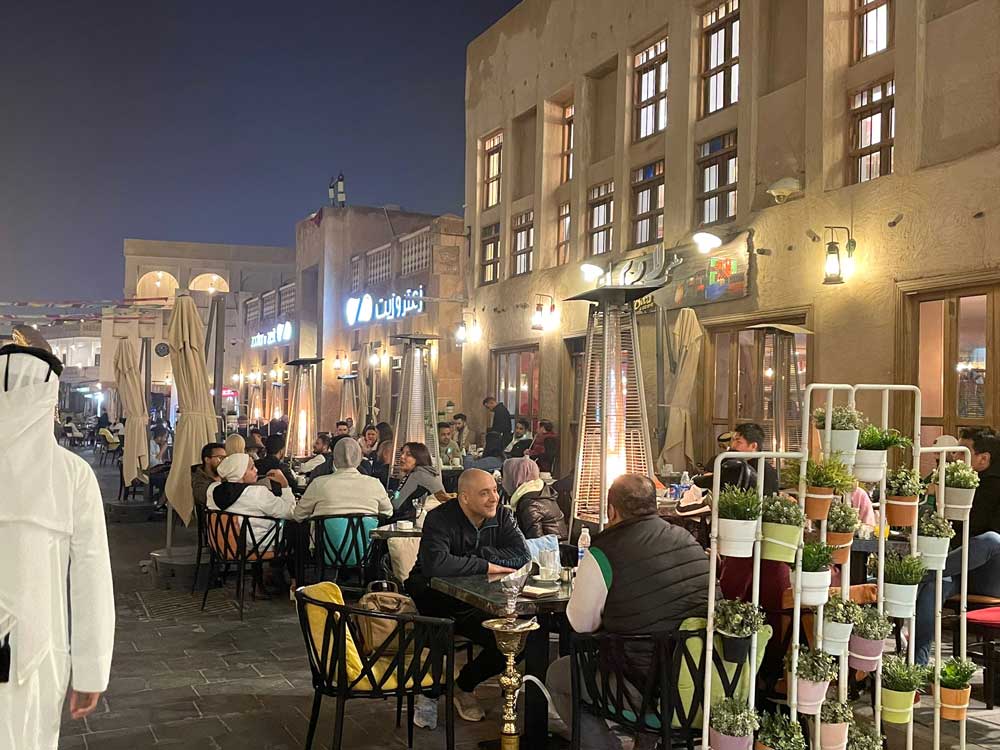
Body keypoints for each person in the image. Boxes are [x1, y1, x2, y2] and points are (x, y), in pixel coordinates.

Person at [0, 341, 114, 747]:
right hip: (38, 648)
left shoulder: (74, 475)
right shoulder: (71, 475)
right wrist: (91, 670)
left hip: (38, 653)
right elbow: (91, 578)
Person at [546, 475, 710, 749]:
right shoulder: (687, 539)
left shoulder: (604, 552)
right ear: (654, 504)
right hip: (696, 681)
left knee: (560, 675)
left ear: (611, 510)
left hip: (640, 685)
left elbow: (581, 623)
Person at [407, 468, 531, 729]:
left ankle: (463, 686)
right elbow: (437, 566)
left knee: (514, 641)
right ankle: (428, 694)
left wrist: (480, 555)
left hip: (482, 599)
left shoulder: (504, 517)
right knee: (439, 631)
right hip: (435, 594)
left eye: (495, 490)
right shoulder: (439, 519)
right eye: (484, 493)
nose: (493, 498)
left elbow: (521, 555)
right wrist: (486, 566)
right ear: (464, 498)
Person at [915, 431, 1000, 663]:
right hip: (956, 565)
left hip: (990, 573)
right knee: (936, 585)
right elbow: (928, 522)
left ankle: (918, 575)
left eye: (963, 453)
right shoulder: (951, 482)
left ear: (983, 459)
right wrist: (934, 498)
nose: (955, 457)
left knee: (993, 540)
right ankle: (918, 667)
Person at [207, 453, 297, 548]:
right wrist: (285, 485)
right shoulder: (257, 493)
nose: (256, 470)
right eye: (252, 468)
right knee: (297, 526)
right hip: (258, 544)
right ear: (240, 473)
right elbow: (290, 513)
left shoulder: (212, 490)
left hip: (225, 545)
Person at [294, 438, 392, 521]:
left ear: (334, 459)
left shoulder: (318, 484)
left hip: (325, 543)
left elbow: (298, 515)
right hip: (364, 542)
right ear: (359, 458)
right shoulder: (374, 484)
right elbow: (388, 512)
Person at [693, 422, 778, 495]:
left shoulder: (766, 471)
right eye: (733, 440)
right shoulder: (730, 462)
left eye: (738, 442)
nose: (732, 445)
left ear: (753, 446)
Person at [503, 457, 567, 539]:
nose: (504, 481)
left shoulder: (530, 503)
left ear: (516, 476)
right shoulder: (540, 492)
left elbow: (535, 542)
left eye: (506, 475)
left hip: (551, 549)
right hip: (558, 544)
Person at [392, 442, 450, 522]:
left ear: (418, 458)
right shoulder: (429, 473)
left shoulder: (417, 476)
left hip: (421, 524)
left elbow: (395, 504)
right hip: (439, 521)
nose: (402, 457)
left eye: (408, 455)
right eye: (402, 453)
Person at [191, 442, 226, 508]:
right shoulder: (198, 481)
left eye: (225, 458)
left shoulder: (227, 476)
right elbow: (214, 500)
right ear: (207, 460)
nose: (223, 461)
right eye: (220, 457)